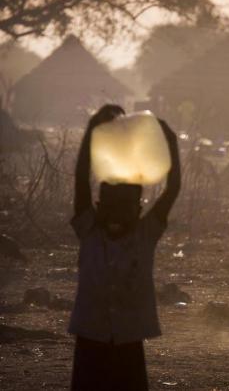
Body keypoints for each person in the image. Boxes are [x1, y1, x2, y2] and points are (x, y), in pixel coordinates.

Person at [70, 104, 181, 390]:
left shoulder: (145, 235)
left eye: (125, 206)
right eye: (111, 205)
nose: (117, 214)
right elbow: (81, 180)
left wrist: (170, 142)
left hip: (129, 340)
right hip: (91, 338)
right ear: (98, 206)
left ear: (139, 208)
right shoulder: (90, 232)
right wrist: (92, 128)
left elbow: (173, 189)